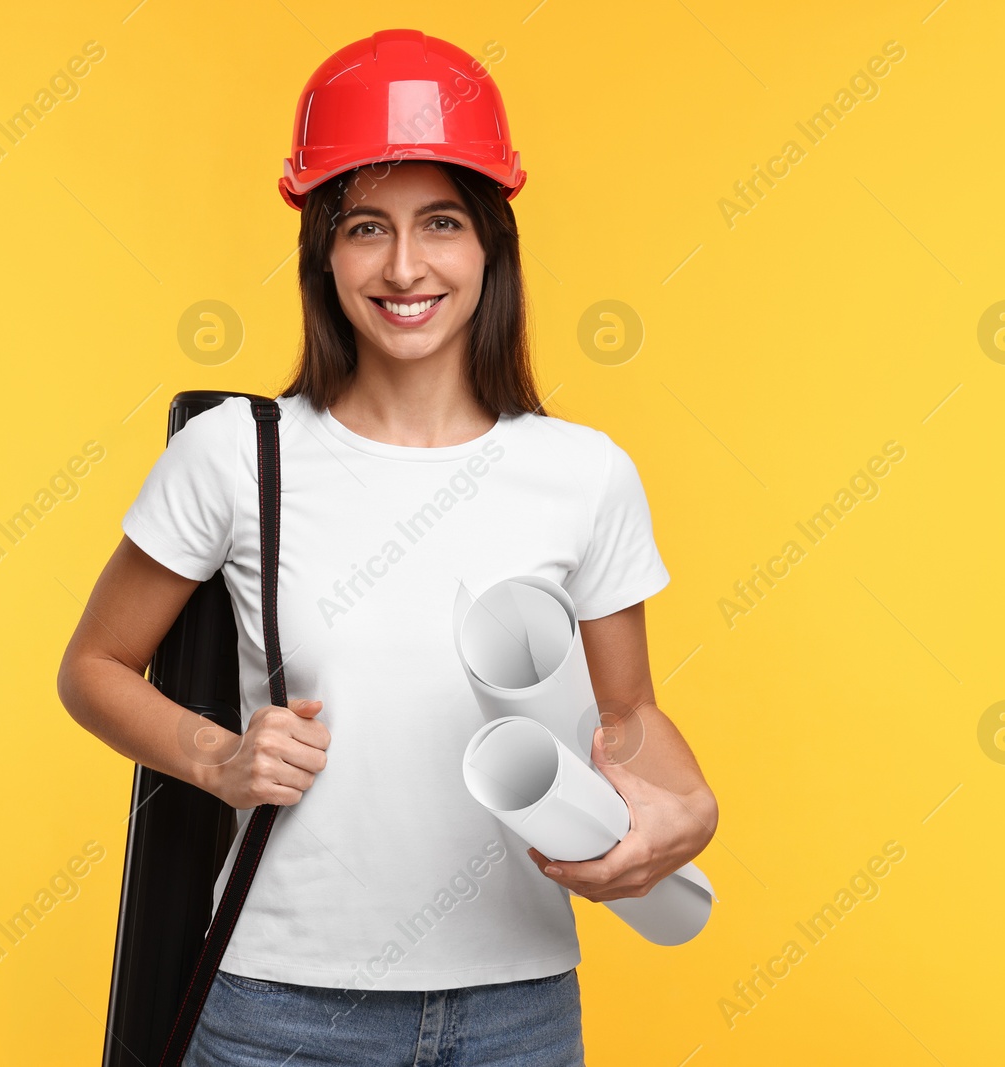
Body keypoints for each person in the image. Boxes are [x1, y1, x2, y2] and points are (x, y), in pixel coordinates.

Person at [55, 29, 718, 1067]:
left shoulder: (584, 472)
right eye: (367, 226)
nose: (405, 266)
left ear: (489, 242)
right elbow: (91, 667)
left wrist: (686, 808)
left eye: (440, 222)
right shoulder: (238, 455)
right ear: (323, 247)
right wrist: (217, 757)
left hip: (516, 1013)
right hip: (277, 1013)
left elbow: (627, 720)